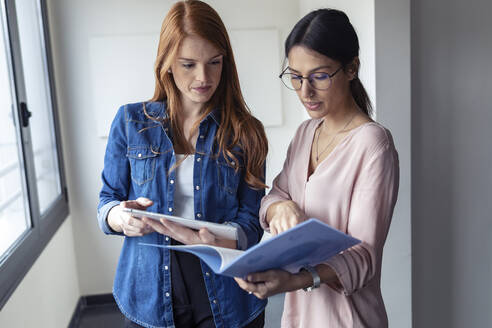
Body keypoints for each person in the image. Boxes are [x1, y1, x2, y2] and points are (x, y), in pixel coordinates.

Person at [97, 1, 268, 327]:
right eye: (188, 64)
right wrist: (122, 217)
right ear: (167, 65)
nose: (203, 77)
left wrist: (218, 240)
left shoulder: (246, 132)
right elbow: (106, 202)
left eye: (214, 62)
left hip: (226, 287)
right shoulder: (131, 121)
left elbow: (251, 223)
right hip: (148, 288)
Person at [234, 9, 399, 328]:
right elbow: (272, 197)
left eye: (319, 76)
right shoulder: (305, 133)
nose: (304, 91)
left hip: (349, 319)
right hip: (298, 318)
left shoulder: (373, 144)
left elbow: (364, 258)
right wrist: (280, 207)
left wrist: (292, 281)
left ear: (352, 68)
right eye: (295, 77)